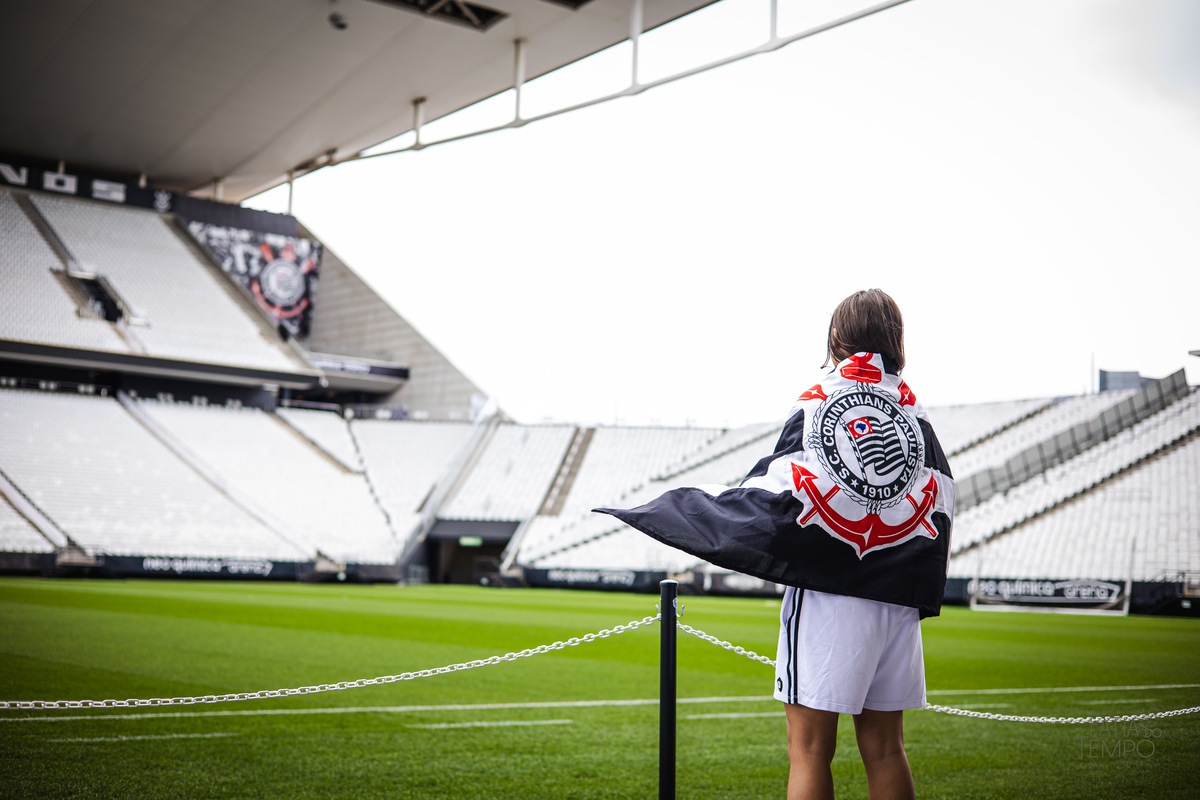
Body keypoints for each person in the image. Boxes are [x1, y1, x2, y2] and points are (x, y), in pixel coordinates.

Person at [595, 289, 954, 800]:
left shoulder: (822, 400)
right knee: (886, 750)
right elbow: (937, 502)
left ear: (836, 338)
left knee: (808, 751)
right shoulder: (917, 419)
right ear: (897, 341)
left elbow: (780, 489)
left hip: (832, 590)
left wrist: (689, 508)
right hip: (895, 599)